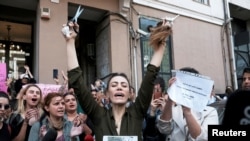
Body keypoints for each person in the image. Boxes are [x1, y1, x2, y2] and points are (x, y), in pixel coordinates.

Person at [63, 18, 172, 141]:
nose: (119, 87)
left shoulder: (137, 113)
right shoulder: (98, 115)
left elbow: (150, 76)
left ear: (129, 93)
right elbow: (77, 81)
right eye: (114, 85)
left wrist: (162, 45)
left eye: (124, 85)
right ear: (107, 93)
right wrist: (70, 41)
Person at [157, 67, 219, 141]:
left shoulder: (210, 112)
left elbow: (203, 138)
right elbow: (163, 129)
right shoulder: (173, 109)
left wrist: (187, 112)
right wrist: (171, 95)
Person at [143, 76, 167, 141]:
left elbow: (167, 133)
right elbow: (146, 132)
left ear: (163, 92)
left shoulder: (169, 109)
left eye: (157, 90)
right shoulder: (144, 109)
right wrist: (152, 113)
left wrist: (164, 113)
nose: (154, 93)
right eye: (153, 90)